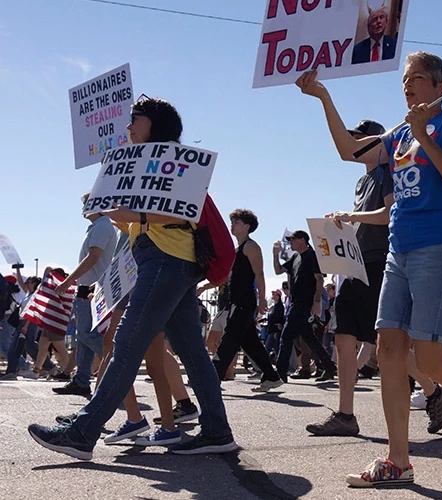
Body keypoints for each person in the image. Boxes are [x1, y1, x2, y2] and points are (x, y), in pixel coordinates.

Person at [295, 51, 442, 487]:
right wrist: (323, 96)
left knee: (431, 361)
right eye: (404, 79)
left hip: (438, 248)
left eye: (417, 78)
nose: (407, 85)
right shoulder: (398, 135)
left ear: (440, 86)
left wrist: (425, 134)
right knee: (388, 351)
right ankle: (397, 460)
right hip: (398, 252)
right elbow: (349, 150)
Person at [27, 96, 237, 459]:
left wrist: (135, 217)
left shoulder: (174, 160)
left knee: (125, 347)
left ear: (154, 123)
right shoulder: (146, 161)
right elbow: (139, 220)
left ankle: (83, 431)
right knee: (191, 351)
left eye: (134, 120)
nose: (127, 127)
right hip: (165, 261)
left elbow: (178, 211)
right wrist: (116, 213)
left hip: (168, 261)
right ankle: (217, 430)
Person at [307, 119, 394, 437]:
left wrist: (350, 216)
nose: (352, 144)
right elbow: (363, 221)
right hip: (353, 267)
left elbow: (389, 214)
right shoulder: (362, 182)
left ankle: (431, 388)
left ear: (375, 142)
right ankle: (346, 414)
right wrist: (342, 227)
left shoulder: (388, 173)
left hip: (378, 264)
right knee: (344, 338)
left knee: (384, 344)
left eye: (358, 139)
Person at [51, 193, 119, 398]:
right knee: (84, 338)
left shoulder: (102, 226)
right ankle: (81, 381)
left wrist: (68, 280)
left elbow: (93, 257)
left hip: (91, 289)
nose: (84, 207)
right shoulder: (101, 226)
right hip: (90, 288)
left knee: (85, 336)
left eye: (87, 203)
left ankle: (117, 362)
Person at [213, 209, 282, 392]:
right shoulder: (237, 249)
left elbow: (259, 275)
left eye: (236, 222)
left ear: (247, 226)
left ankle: (213, 377)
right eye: (232, 221)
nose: (232, 225)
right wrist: (204, 287)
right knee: (249, 342)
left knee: (230, 337)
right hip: (235, 300)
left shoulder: (251, 247)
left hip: (245, 301)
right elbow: (227, 277)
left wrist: (262, 300)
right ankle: (271, 376)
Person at [272, 230, 337, 383]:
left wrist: (316, 303)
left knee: (286, 335)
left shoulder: (312, 256)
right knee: (309, 338)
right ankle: (329, 366)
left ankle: (280, 372)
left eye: (292, 239)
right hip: (296, 302)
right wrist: (275, 254)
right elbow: (278, 271)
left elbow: (319, 279)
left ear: (302, 240)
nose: (290, 242)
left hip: (304, 303)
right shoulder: (295, 257)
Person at [351, 0, 397, 64]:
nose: (379, 21)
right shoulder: (357, 50)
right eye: (375, 19)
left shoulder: (394, 45)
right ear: (369, 26)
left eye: (381, 17)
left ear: (386, 22)